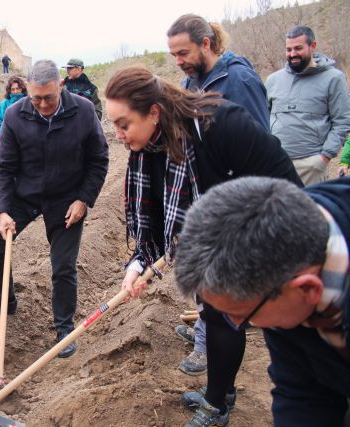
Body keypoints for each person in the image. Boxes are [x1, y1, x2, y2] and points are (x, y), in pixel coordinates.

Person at [104, 65, 302, 427]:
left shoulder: (221, 125)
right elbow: (156, 221)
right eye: (114, 125)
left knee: (227, 316)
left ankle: (217, 406)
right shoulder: (150, 150)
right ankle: (221, 392)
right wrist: (139, 263)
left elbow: (283, 182)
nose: (117, 135)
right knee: (213, 312)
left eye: (123, 124)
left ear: (154, 112)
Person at [174, 176, 350, 427]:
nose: (232, 326)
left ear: (308, 289)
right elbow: (301, 392)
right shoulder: (283, 273)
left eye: (240, 316)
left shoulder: (283, 281)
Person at [0, 59, 109, 358]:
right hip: (25, 195)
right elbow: (2, 168)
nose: (41, 104)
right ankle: (5, 300)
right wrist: (3, 211)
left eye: (48, 97)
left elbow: (98, 160)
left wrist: (84, 199)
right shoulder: (15, 114)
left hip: (66, 198)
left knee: (63, 266)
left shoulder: (84, 111)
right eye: (35, 98)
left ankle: (64, 328)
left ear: (60, 86)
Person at [166, 13, 270, 381]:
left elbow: (258, 143)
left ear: (206, 43)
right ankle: (204, 332)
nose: (178, 60)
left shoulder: (238, 79)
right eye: (173, 54)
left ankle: (207, 353)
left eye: (183, 52)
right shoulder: (191, 81)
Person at [266, 25, 350, 185]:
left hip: (312, 165)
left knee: (309, 209)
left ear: (313, 46)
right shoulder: (273, 80)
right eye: (288, 49)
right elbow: (264, 117)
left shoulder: (334, 78)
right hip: (277, 163)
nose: (292, 54)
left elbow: (342, 121)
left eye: (298, 48)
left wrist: (324, 157)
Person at [0, 75, 27, 142]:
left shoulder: (28, 103)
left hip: (26, 143)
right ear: (9, 90)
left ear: (22, 89)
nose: (15, 92)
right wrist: (1, 137)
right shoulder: (4, 104)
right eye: (13, 89)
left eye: (18, 88)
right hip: (8, 143)